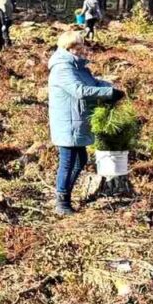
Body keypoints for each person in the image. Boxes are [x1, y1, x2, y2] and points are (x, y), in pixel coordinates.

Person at [48, 30, 125, 215]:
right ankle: (62, 202)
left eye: (81, 45)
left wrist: (112, 88)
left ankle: (65, 195)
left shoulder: (77, 66)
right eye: (78, 46)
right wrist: (108, 94)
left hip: (77, 120)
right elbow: (79, 90)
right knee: (67, 162)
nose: (82, 48)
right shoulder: (62, 68)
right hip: (68, 123)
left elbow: (93, 82)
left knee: (80, 159)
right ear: (68, 47)